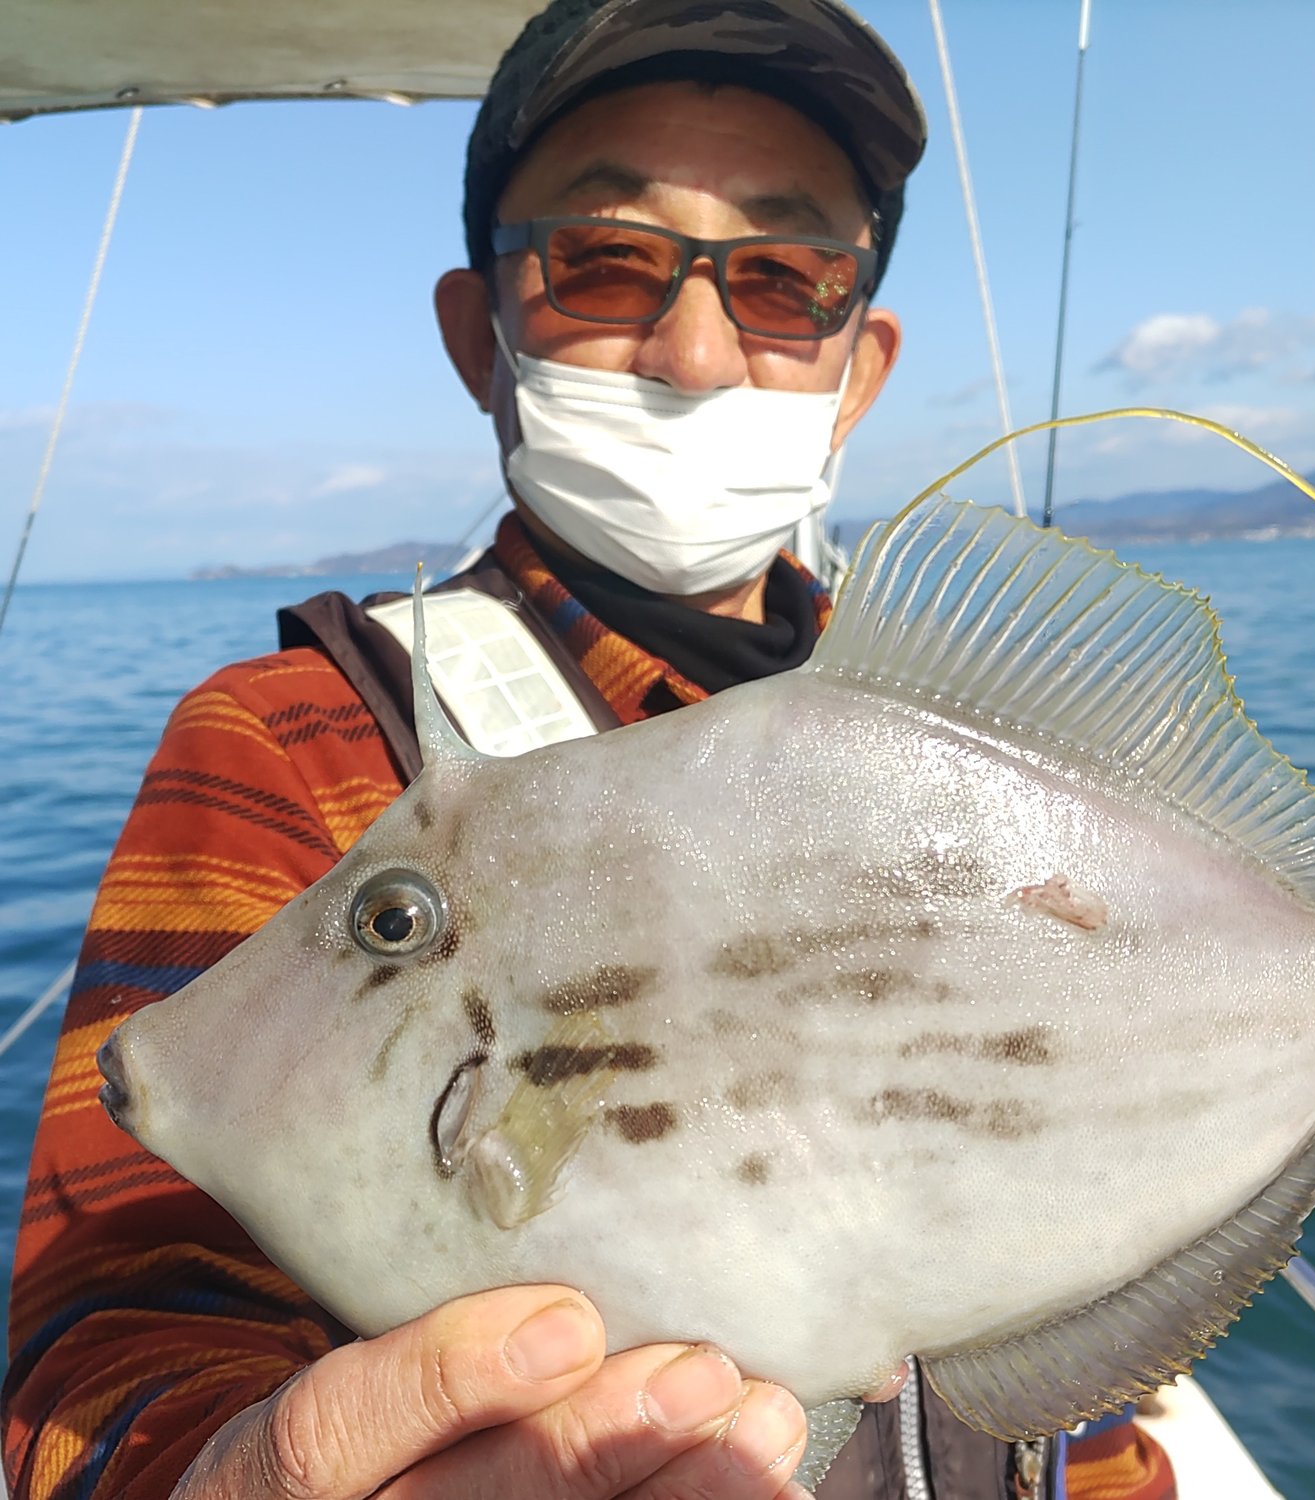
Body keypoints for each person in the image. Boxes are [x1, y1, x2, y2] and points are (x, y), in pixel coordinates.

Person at [2, 3, 1175, 1498]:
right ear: (476, 331)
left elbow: (1092, 1366)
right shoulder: (299, 742)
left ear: (858, 363)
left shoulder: (1009, 755)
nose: (692, 353)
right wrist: (227, 1472)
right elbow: (124, 1328)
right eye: (606, 261)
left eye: (780, 276)